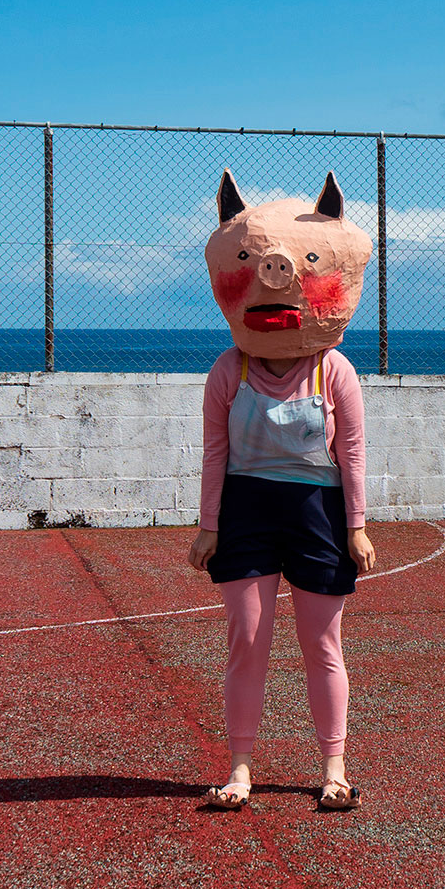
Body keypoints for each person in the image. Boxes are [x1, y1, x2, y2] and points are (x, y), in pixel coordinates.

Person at [187, 169, 376, 811]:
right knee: (247, 641)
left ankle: (334, 767)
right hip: (246, 510)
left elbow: (351, 452)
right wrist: (209, 526)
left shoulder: (334, 369)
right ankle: (240, 769)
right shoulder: (228, 370)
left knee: (322, 643)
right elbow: (216, 453)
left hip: (317, 511)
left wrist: (356, 526)